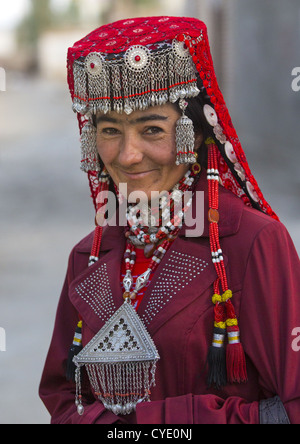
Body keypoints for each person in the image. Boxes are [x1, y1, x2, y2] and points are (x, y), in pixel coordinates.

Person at [39, 16, 300, 424]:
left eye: (152, 130)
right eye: (110, 130)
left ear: (194, 135)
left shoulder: (251, 244)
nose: (127, 156)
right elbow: (61, 393)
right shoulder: (88, 255)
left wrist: (154, 424)